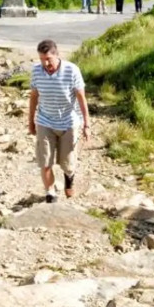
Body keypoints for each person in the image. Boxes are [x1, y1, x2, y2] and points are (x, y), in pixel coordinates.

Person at [27, 38, 90, 204]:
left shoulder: (72, 70)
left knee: (68, 163)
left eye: (48, 59)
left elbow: (82, 99)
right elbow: (34, 97)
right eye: (41, 59)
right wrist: (31, 121)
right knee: (45, 161)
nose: (45, 63)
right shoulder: (36, 71)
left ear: (57, 55)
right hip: (45, 121)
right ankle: (50, 192)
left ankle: (69, 178)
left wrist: (86, 124)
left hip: (68, 122)